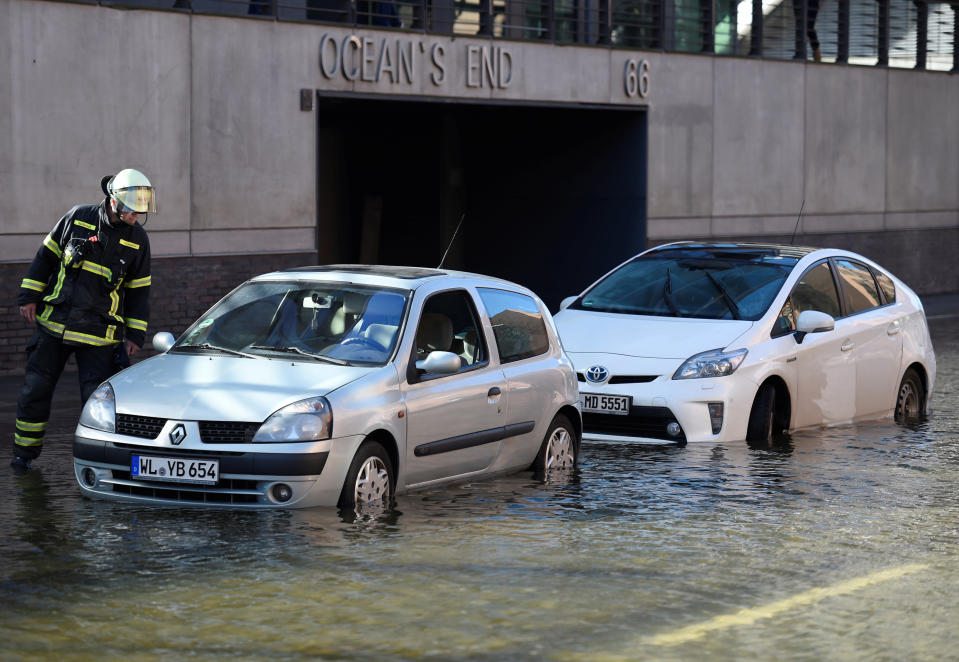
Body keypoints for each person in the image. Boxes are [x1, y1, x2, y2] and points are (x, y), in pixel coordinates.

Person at [12, 169, 155, 473]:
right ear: (114, 200)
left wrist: (134, 336)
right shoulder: (77, 217)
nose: (136, 217)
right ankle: (23, 455)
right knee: (35, 391)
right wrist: (29, 296)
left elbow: (139, 292)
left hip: (99, 335)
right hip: (55, 325)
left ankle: (96, 461)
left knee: (96, 402)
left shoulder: (138, 240)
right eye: (132, 210)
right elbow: (45, 258)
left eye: (140, 212)